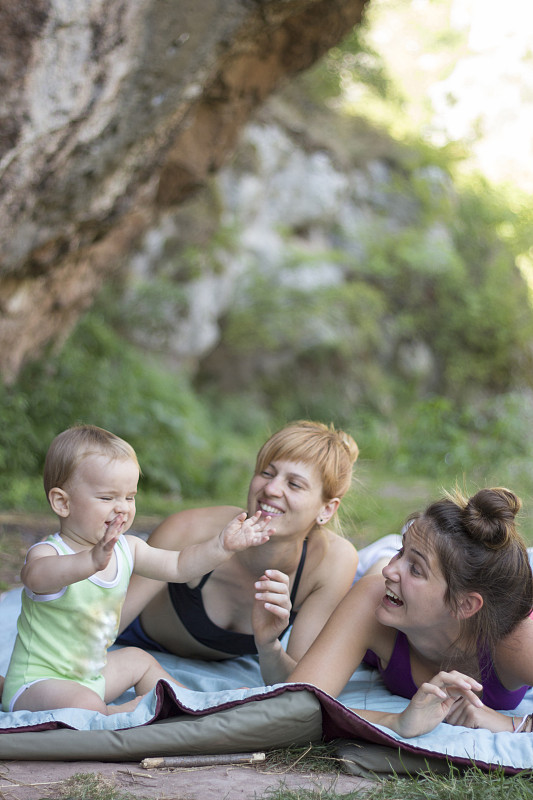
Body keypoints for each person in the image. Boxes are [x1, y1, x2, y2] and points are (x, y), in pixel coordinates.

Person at [2, 425, 273, 716]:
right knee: (86, 706)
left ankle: (187, 700)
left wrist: (222, 546)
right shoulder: (49, 553)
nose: (122, 508)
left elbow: (180, 566)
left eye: (129, 497)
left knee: (136, 660)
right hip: (38, 683)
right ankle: (121, 715)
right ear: (62, 502)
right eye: (107, 498)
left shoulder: (127, 549)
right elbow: (38, 577)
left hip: (90, 677)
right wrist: (91, 560)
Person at [118, 420, 360, 685]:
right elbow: (102, 628)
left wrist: (269, 646)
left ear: (327, 510)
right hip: (133, 635)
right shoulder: (189, 531)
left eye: (294, 484)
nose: (270, 489)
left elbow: (299, 687)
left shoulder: (331, 562)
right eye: (267, 473)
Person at [288, 486, 533, 735]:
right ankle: (391, 552)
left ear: (464, 604)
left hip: (504, 591)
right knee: (376, 571)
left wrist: (512, 724)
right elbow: (292, 707)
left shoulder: (516, 638)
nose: (390, 571)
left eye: (416, 569)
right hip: (375, 576)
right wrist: (396, 721)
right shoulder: (373, 598)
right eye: (401, 552)